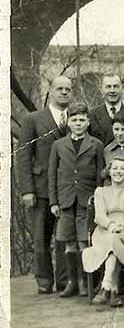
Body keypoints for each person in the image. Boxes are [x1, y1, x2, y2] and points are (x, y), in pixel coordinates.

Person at [17, 75, 72, 294]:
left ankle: (64, 280)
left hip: (67, 188)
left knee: (64, 237)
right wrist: (27, 189)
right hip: (40, 188)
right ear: (50, 90)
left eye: (68, 89)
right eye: (59, 89)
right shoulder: (33, 119)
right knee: (41, 237)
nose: (64, 92)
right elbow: (23, 155)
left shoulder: (77, 117)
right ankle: (44, 280)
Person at [48, 102, 105, 297]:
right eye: (74, 120)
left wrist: (97, 199)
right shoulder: (58, 145)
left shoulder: (96, 144)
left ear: (88, 122)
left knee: (83, 242)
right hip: (65, 199)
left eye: (82, 120)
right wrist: (54, 201)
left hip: (86, 199)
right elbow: (52, 174)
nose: (78, 123)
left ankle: (83, 281)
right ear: (68, 122)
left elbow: (100, 174)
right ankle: (71, 281)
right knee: (68, 242)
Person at [82, 157, 124, 307]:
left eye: (122, 169)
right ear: (109, 171)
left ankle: (106, 286)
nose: (118, 172)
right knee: (112, 241)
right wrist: (110, 225)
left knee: (114, 240)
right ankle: (113, 291)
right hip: (104, 231)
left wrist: (121, 226)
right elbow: (99, 216)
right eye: (115, 168)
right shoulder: (100, 191)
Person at [89, 74, 124, 146]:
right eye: (108, 87)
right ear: (101, 89)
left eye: (116, 86)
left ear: (122, 88)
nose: (112, 90)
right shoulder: (92, 115)